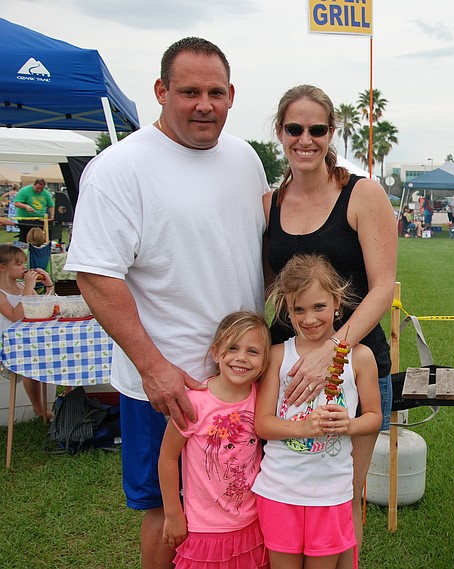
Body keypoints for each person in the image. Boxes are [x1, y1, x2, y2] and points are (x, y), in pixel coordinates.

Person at [64, 37, 269, 569]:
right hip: (170, 388)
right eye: (189, 91)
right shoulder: (119, 169)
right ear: (160, 91)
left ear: (231, 96)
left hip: (243, 382)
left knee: (243, 501)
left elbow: (260, 250)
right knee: (167, 509)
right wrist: (154, 369)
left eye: (216, 92)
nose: (205, 103)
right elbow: (96, 278)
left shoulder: (245, 158)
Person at [263, 84, 396, 568]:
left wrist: (331, 354)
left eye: (316, 129)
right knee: (290, 490)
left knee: (343, 497)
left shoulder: (362, 194)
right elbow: (269, 287)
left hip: (353, 366)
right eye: (294, 128)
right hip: (289, 373)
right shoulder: (270, 203)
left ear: (331, 133)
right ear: (280, 132)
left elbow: (382, 288)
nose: (305, 139)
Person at [254, 253, 381, 569]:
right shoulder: (278, 356)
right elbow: (263, 424)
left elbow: (375, 418)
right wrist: (301, 428)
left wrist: (348, 425)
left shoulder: (361, 357)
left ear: (337, 302)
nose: (309, 318)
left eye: (319, 307)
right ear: (287, 308)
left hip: (331, 493)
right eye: (299, 309)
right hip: (279, 491)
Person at [158, 311, 271, 569]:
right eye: (233, 348)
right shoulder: (194, 403)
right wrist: (173, 512)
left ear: (264, 362)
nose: (241, 358)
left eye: (253, 351)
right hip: (205, 528)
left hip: (253, 523)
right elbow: (167, 457)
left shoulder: (262, 399)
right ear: (216, 352)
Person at [0, 244, 55, 420]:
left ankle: (67, 398)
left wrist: (48, 286)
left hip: (28, 338)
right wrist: (27, 289)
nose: (24, 267)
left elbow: (45, 307)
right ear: (3, 268)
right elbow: (15, 316)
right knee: (32, 365)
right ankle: (39, 409)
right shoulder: (2, 293)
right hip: (8, 342)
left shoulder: (23, 287)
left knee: (53, 353)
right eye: (19, 264)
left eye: (24, 263)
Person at [13, 178, 54, 243]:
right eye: (37, 188)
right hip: (26, 220)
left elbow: (51, 206)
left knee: (40, 238)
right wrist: (26, 206)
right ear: (34, 185)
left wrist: (52, 215)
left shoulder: (46, 193)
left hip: (41, 220)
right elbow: (16, 203)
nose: (39, 190)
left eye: (41, 189)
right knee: (25, 238)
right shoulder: (24, 191)